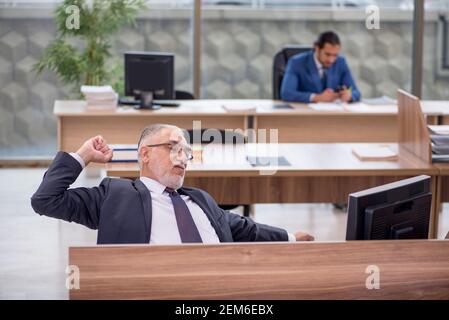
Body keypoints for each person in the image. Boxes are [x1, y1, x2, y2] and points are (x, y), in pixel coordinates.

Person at [31, 124, 314, 244]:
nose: (183, 158)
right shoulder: (114, 194)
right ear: (144, 154)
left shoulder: (200, 199)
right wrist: (82, 156)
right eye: (173, 147)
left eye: (187, 152)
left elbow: (244, 228)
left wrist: (290, 238)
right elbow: (45, 200)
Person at [280, 31, 361, 103]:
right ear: (317, 48)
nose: (331, 60)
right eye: (327, 54)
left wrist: (349, 96)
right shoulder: (296, 62)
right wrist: (317, 97)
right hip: (306, 114)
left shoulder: (341, 62)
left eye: (335, 55)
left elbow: (356, 92)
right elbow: (287, 93)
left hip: (334, 114)